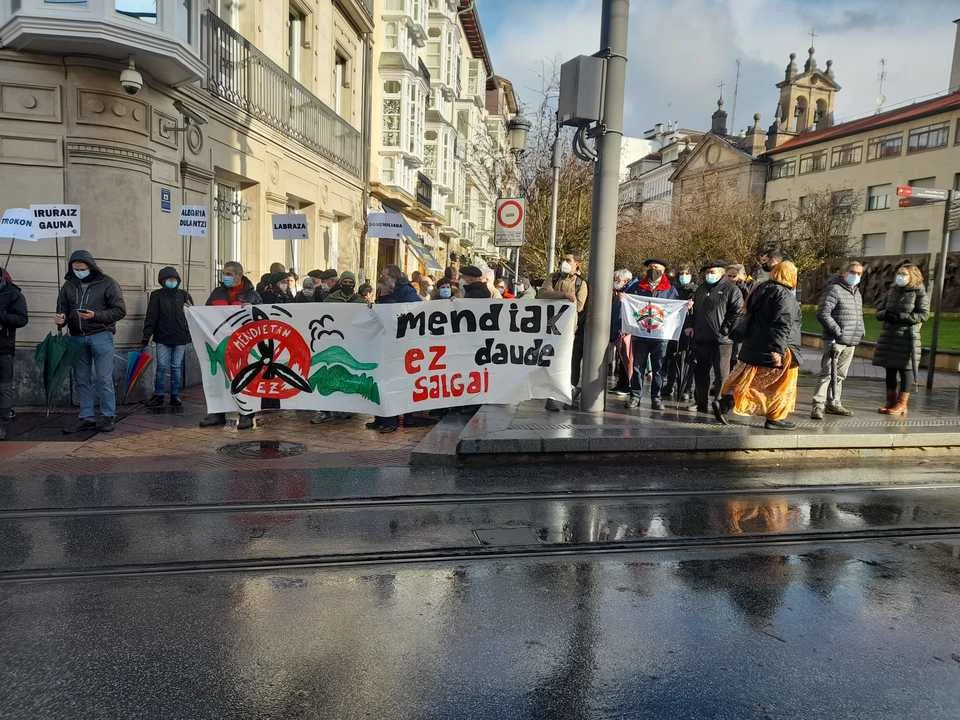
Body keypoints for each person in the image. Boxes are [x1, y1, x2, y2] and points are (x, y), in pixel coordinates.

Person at [713, 261, 802, 431]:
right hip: (780, 346)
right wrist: (778, 350)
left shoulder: (761, 288)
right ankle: (775, 417)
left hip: (754, 344)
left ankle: (726, 402)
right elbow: (782, 324)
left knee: (750, 378)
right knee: (781, 385)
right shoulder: (785, 295)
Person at [56, 250, 127, 433]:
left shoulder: (108, 283)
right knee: (82, 379)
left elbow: (120, 311)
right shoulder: (68, 285)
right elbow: (62, 309)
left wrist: (96, 315)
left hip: (101, 335)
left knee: (103, 378)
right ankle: (86, 417)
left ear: (91, 266)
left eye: (82, 269)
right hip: (77, 337)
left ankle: (108, 415)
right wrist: (61, 320)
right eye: (75, 269)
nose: (79, 272)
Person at [199, 261, 262, 430]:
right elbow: (205, 313)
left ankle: (246, 414)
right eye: (224, 273)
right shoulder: (217, 293)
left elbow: (263, 316)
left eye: (228, 274)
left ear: (239, 275)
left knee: (244, 377)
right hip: (219, 343)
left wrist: (253, 308)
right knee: (218, 378)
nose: (225, 277)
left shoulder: (252, 295)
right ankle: (217, 413)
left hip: (243, 344)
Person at [687, 261, 743, 414]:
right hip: (701, 338)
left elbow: (737, 312)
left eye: (712, 272)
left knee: (721, 374)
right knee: (700, 372)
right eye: (707, 272)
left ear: (721, 272)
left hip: (722, 341)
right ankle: (701, 402)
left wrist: (725, 330)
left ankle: (719, 403)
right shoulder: (701, 289)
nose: (708, 275)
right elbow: (694, 311)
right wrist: (691, 325)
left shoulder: (731, 289)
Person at [810, 261, 865, 420]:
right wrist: (837, 331)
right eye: (853, 272)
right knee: (827, 373)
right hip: (835, 339)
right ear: (844, 273)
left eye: (859, 273)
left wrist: (861, 331)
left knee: (840, 374)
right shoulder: (834, 289)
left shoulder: (857, 293)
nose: (856, 276)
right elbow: (823, 313)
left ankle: (834, 402)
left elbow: (858, 315)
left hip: (851, 340)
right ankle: (818, 405)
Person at [873, 263, 928, 416]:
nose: (900, 277)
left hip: (907, 337)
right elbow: (879, 310)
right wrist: (885, 314)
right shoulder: (892, 290)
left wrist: (902, 317)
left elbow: (924, 314)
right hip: (890, 336)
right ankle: (890, 401)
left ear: (912, 276)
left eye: (904, 274)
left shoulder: (919, 292)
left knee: (905, 370)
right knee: (890, 369)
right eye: (899, 273)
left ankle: (902, 404)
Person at [624, 258, 677, 411]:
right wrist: (623, 298)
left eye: (657, 268)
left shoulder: (670, 290)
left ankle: (656, 398)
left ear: (663, 271)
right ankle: (635, 396)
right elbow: (628, 303)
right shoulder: (636, 287)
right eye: (651, 267)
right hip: (641, 334)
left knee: (658, 368)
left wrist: (686, 306)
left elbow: (675, 309)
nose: (654, 270)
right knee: (637, 367)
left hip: (660, 335)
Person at [538, 253, 588, 411]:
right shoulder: (553, 278)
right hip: (550, 329)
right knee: (551, 362)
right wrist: (564, 295)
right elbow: (542, 294)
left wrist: (557, 298)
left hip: (569, 331)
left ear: (577, 264)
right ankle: (552, 397)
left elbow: (579, 306)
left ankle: (569, 393)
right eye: (563, 260)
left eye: (568, 260)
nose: (564, 263)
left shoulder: (581, 283)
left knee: (570, 363)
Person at [142, 267, 193, 409]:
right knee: (162, 366)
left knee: (176, 367)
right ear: (163, 281)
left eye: (174, 279)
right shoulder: (156, 295)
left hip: (180, 337)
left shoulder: (184, 295)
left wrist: (189, 308)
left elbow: (192, 316)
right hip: (162, 337)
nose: (172, 281)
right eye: (169, 279)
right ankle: (159, 395)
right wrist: (146, 336)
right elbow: (151, 316)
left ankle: (175, 395)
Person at [0, 267, 27, 440]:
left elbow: (22, 319)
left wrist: (2, 316)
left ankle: (2, 423)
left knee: (4, 387)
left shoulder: (13, 294)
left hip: (3, 348)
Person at [663, 263, 697, 401]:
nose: (684, 276)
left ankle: (686, 388)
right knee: (672, 359)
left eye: (687, 273)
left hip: (689, 330)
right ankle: (669, 385)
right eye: (681, 273)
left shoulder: (696, 291)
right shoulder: (673, 290)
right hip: (674, 329)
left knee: (688, 360)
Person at [610, 269, 634, 397]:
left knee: (628, 359)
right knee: (623, 359)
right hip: (619, 330)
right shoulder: (619, 292)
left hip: (625, 331)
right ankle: (622, 384)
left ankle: (628, 385)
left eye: (617, 280)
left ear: (625, 281)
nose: (615, 282)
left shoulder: (629, 292)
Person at [725, 263, 751, 370]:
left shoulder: (745, 288)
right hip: (725, 325)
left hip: (738, 326)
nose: (731, 278)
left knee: (735, 355)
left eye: (734, 276)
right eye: (729, 276)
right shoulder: (723, 287)